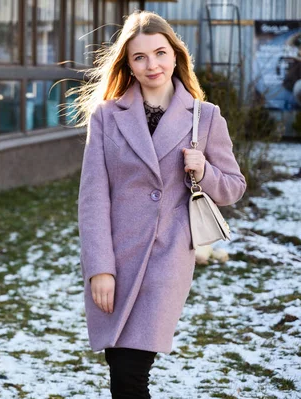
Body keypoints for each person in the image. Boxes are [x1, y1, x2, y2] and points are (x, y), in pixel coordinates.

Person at [73, 10, 246, 398]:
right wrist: (99, 268)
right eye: (140, 57)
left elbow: (234, 187)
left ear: (176, 55)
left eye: (160, 52)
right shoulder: (106, 118)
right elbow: (93, 198)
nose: (153, 64)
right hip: (116, 258)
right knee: (121, 371)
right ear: (128, 66)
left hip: (167, 258)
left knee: (131, 373)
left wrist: (203, 173)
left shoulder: (206, 117)